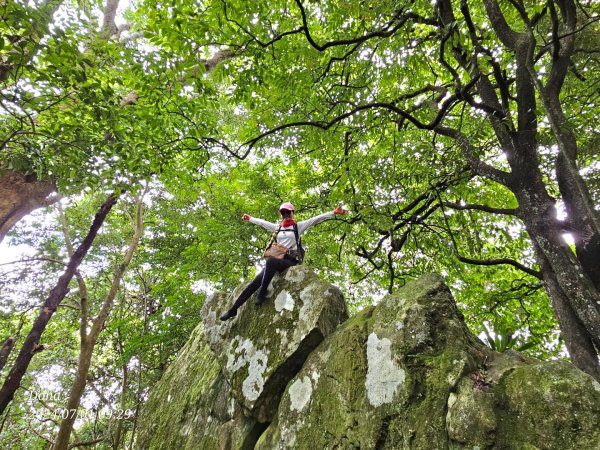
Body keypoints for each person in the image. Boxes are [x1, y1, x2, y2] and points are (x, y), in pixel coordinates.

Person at [219, 202, 347, 321]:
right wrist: (250, 218)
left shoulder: (298, 226)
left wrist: (334, 212)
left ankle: (262, 293)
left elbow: (316, 219)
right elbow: (263, 223)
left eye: (288, 212)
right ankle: (233, 310)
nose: (286, 215)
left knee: (270, 263)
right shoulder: (277, 227)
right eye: (283, 212)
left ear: (292, 213)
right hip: (277, 260)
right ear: (281, 214)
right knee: (254, 282)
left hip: (290, 261)